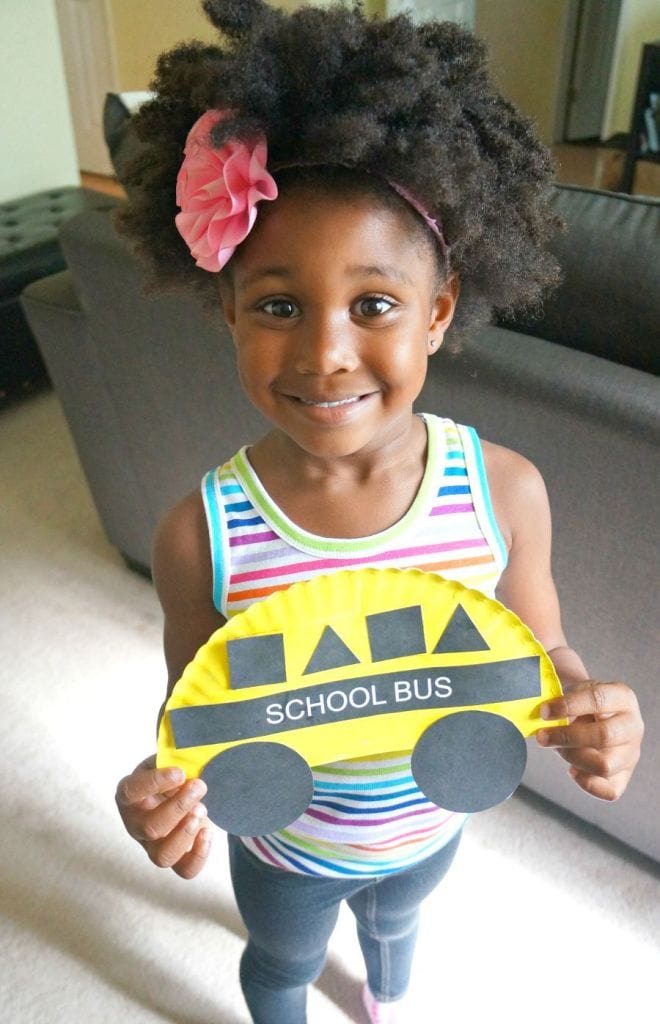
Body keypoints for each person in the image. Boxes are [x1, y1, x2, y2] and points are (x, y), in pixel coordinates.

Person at [114, 2, 644, 1021]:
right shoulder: (201, 533)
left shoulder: (504, 492)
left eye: (373, 304)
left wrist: (587, 713)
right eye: (277, 305)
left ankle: (389, 989)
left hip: (431, 825)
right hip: (283, 844)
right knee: (278, 963)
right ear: (226, 307)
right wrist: (162, 786)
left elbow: (541, 656)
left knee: (397, 927)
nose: (323, 354)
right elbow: (200, 703)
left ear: (438, 311)